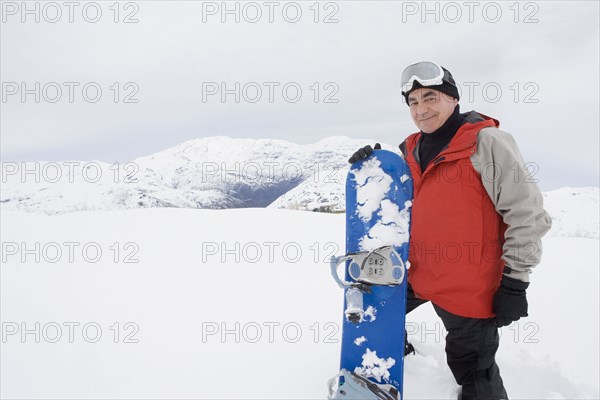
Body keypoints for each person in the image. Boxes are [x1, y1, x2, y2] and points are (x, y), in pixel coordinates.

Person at [348, 61, 552, 400]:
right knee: (379, 316)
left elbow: (527, 213)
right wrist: (375, 168)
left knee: (473, 371)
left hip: (470, 288)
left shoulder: (487, 142)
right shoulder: (410, 148)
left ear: (453, 99)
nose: (421, 109)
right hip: (418, 273)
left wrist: (516, 281)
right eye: (413, 102)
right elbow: (399, 203)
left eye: (430, 98)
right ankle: (403, 363)